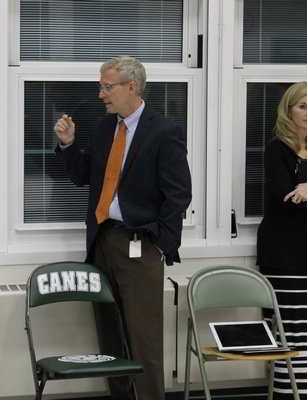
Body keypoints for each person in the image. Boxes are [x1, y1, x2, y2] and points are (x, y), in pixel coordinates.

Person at [53, 55, 192, 400]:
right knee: (109, 336)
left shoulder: (163, 131)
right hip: (103, 239)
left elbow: (178, 195)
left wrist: (161, 244)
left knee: (143, 338)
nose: (101, 94)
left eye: (106, 86)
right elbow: (82, 176)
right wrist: (68, 145)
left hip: (141, 244)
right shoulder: (104, 127)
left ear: (131, 87)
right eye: (100, 86)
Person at [257, 81, 307, 399]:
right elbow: (287, 198)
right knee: (291, 330)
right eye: (303, 106)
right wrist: (306, 192)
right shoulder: (276, 149)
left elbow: (304, 196)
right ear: (289, 110)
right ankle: (289, 393)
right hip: (285, 255)